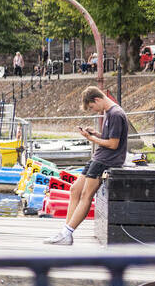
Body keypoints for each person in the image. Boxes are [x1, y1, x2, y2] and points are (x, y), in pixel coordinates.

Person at [44, 86, 128, 245]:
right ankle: (65, 232)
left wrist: (91, 139)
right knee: (75, 189)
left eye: (92, 107)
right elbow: (109, 137)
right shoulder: (110, 113)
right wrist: (95, 133)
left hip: (107, 160)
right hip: (99, 157)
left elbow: (113, 144)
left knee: (86, 195)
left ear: (97, 99)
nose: (94, 110)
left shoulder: (115, 114)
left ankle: (67, 233)